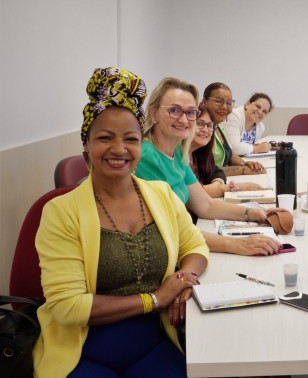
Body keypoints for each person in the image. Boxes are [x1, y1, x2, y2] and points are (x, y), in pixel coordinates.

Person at [34, 67, 209, 377]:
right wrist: (155, 299)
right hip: (83, 352)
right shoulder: (61, 211)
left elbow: (195, 245)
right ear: (86, 143)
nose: (119, 149)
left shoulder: (162, 195)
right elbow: (68, 306)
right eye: (105, 138)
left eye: (131, 139)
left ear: (140, 145)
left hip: (155, 344)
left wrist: (182, 280)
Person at [135, 77, 287, 256]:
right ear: (153, 113)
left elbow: (205, 205)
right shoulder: (146, 157)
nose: (184, 120)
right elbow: (171, 229)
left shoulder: (176, 152)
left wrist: (257, 214)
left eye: (191, 112)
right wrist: (237, 244)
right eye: (174, 110)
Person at [190, 102, 264, 198]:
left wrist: (216, 184)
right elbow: (192, 194)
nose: (224, 107)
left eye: (209, 125)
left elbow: (217, 172)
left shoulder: (200, 152)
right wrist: (229, 188)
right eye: (199, 124)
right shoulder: (179, 157)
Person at [202, 82, 265, 176]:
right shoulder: (201, 131)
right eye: (218, 101)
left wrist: (244, 164)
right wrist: (242, 170)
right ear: (204, 102)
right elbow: (204, 172)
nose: (224, 107)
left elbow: (230, 154)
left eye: (229, 103)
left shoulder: (218, 127)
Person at [220, 92, 274, 157]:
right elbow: (233, 148)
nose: (260, 112)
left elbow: (248, 152)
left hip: (243, 161)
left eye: (264, 111)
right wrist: (257, 148)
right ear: (247, 104)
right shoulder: (233, 115)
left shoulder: (260, 127)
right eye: (258, 106)